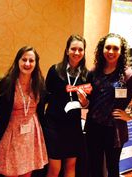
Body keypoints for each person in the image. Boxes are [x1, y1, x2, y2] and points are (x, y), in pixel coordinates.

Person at [85, 33, 132, 177]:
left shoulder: (128, 74)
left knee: (112, 168)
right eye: (108, 47)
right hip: (94, 127)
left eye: (115, 48)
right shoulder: (94, 72)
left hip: (114, 131)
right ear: (102, 49)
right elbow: (90, 99)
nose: (111, 52)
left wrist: (130, 115)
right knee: (94, 165)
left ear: (121, 51)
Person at [0, 46, 48, 177]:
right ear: (17, 61)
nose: (27, 64)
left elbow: (42, 109)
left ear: (36, 63)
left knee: (27, 171)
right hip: (11, 131)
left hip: (32, 131)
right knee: (11, 171)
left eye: (31, 60)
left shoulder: (39, 83)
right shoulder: (6, 82)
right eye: (24, 59)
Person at [43, 34, 89, 177]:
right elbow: (45, 96)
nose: (76, 53)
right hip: (54, 125)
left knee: (71, 166)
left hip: (73, 126)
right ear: (67, 50)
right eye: (73, 49)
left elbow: (87, 105)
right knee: (54, 168)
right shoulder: (55, 70)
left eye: (80, 50)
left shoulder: (86, 75)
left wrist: (84, 101)